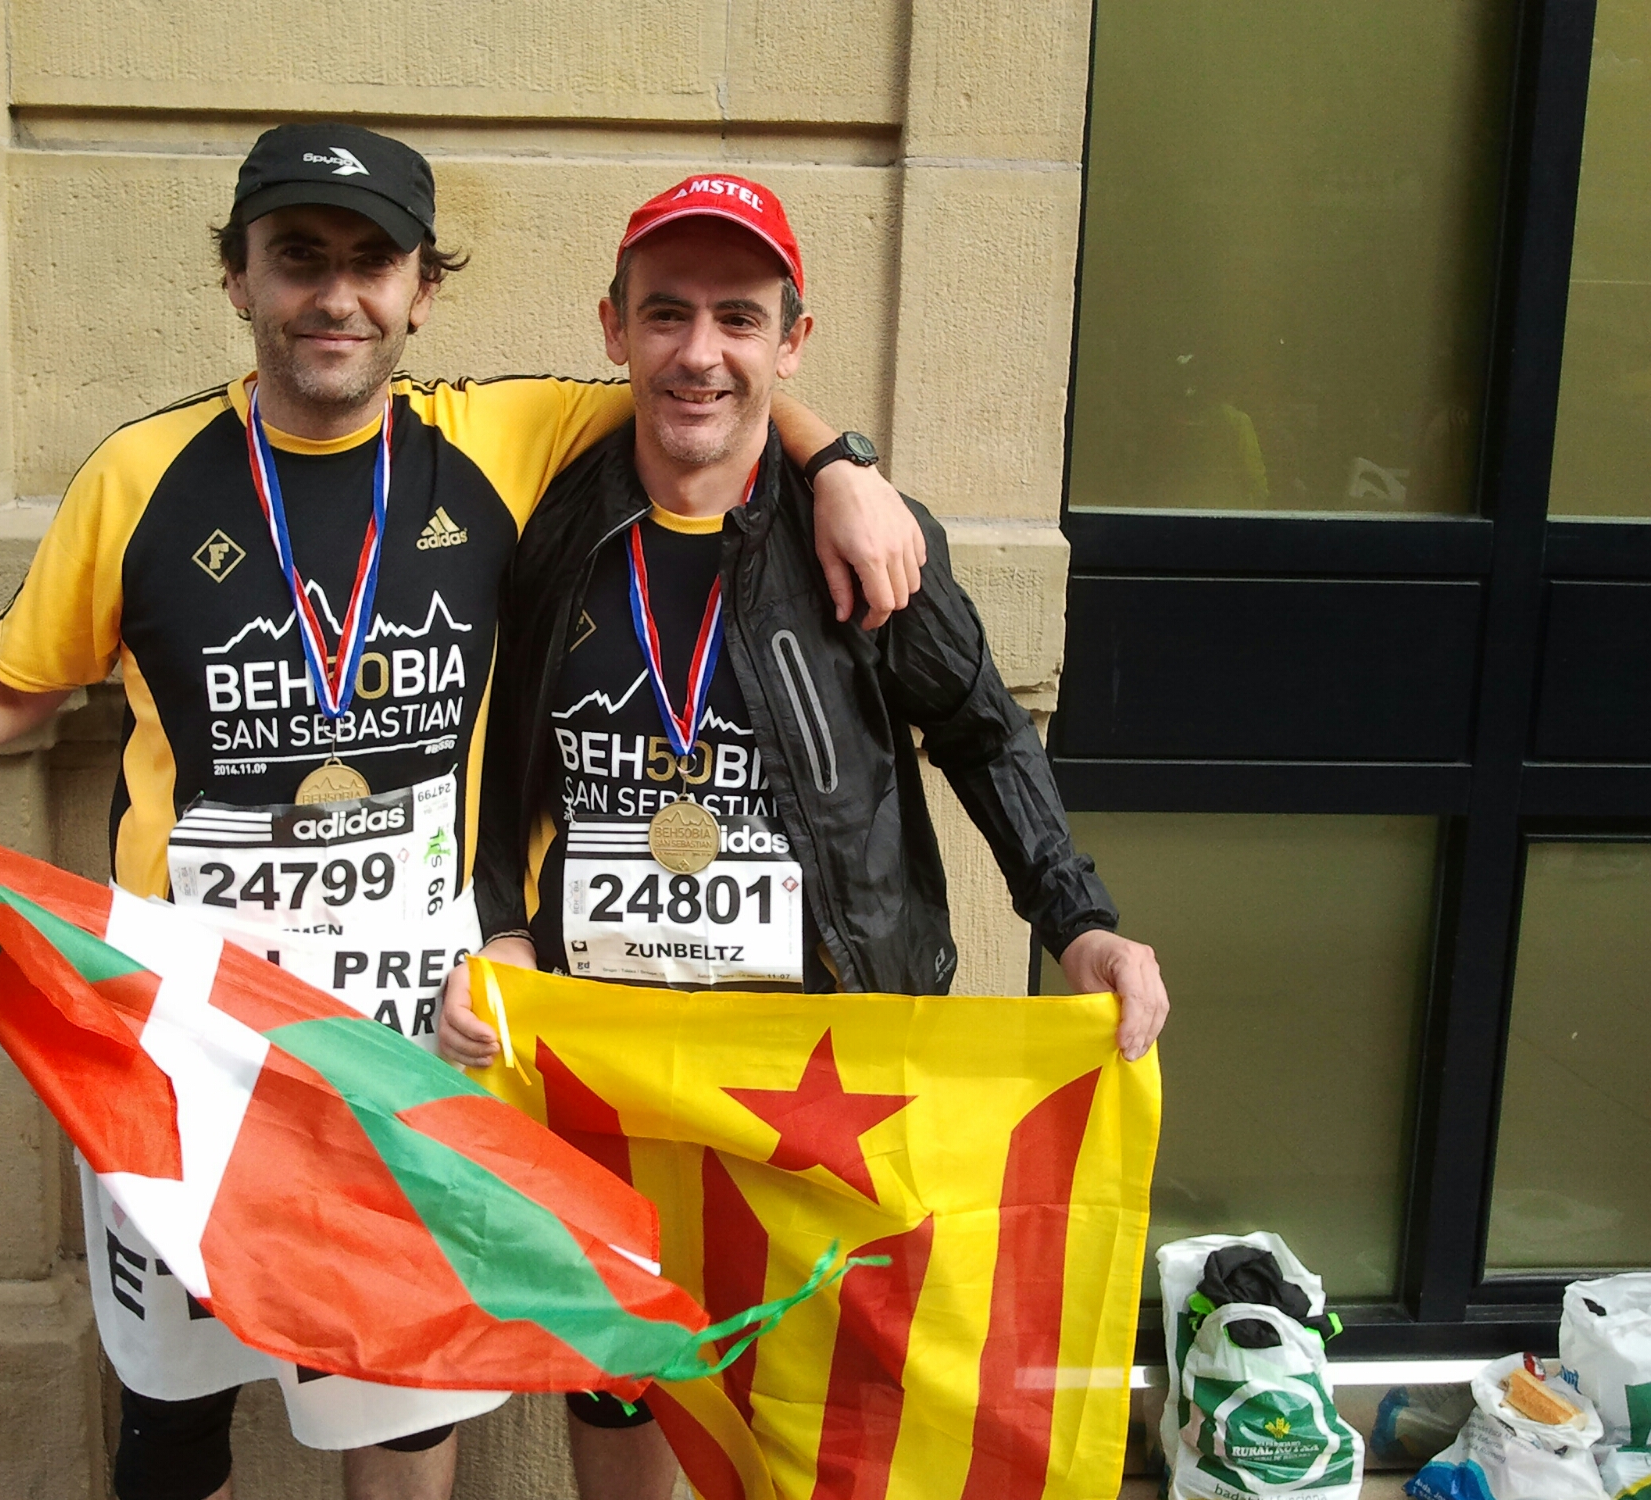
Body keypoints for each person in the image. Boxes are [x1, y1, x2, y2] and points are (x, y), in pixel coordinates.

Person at [0, 129, 926, 1500]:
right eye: (299, 258)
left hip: (409, 1034)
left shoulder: (499, 439)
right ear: (237, 278)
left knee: (402, 1389)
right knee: (175, 1405)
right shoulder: (142, 472)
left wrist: (844, 464)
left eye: (373, 262)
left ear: (423, 289)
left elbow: (708, 384)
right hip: (187, 1026)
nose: (336, 295)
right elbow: (17, 685)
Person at [438, 173, 1171, 1500]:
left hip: (823, 1068)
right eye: (666, 314)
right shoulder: (548, 529)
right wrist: (499, 923)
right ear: (613, 329)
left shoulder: (868, 543)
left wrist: (1079, 921)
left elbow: (984, 734)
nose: (699, 352)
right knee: (620, 1373)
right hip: (620, 1061)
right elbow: (494, 756)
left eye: (739, 317)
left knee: (828, 1394)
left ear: (793, 342)